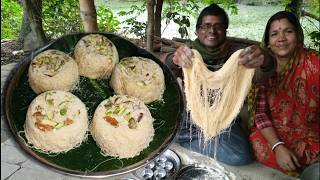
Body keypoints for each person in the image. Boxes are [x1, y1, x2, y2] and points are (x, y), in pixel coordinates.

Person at [164, 3, 276, 166]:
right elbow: (165, 68)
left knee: (240, 156)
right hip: (190, 116)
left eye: (218, 26)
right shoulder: (188, 53)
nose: (212, 31)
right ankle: (195, 138)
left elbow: (263, 73)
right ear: (197, 31)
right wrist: (173, 60)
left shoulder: (238, 56)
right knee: (160, 133)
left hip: (225, 119)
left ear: (225, 31)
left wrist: (265, 59)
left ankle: (191, 139)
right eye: (206, 26)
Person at [249, 11, 319, 179]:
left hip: (312, 132)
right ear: (268, 42)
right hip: (273, 132)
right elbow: (260, 113)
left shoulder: (315, 63)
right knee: (259, 148)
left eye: (288, 31)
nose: (281, 38)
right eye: (274, 34)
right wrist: (278, 146)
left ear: (299, 36)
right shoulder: (262, 68)